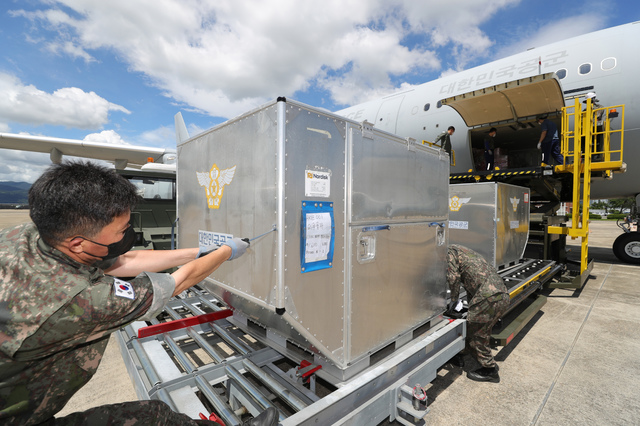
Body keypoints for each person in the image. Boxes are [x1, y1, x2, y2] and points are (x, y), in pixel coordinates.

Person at [0, 161, 277, 426]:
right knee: (151, 419)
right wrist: (226, 253)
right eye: (121, 230)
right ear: (78, 243)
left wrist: (198, 252)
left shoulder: (25, 236)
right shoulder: (84, 300)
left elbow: (126, 261)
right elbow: (175, 283)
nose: (127, 234)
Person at [446, 244, 510, 383]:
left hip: (488, 297)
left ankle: (489, 369)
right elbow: (473, 280)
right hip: (501, 294)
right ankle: (461, 355)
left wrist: (453, 300)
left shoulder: (448, 253)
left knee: (477, 334)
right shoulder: (462, 250)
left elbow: (453, 277)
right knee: (474, 327)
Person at [583, 92, 605, 161]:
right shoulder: (585, 110)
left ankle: (597, 155)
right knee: (584, 142)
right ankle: (586, 155)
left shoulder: (599, 107)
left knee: (598, 142)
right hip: (587, 129)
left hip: (597, 128)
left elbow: (597, 115)